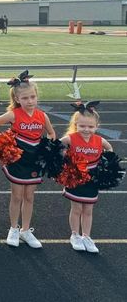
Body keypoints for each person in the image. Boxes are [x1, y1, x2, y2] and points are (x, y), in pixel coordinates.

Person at [0, 71, 55, 249]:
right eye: (25, 98)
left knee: (29, 196)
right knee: (16, 196)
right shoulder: (14, 114)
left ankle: (25, 230)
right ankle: (13, 229)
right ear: (17, 98)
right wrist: (6, 142)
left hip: (34, 160)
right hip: (18, 160)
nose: (30, 101)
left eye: (32, 97)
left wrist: (50, 145)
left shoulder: (42, 116)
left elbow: (52, 133)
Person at [60, 101, 112, 253]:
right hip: (75, 178)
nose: (86, 130)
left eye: (90, 127)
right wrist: (64, 157)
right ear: (76, 125)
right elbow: (56, 145)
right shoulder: (71, 138)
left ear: (96, 126)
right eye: (82, 126)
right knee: (76, 208)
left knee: (88, 209)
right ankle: (75, 235)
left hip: (92, 180)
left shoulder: (99, 140)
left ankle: (86, 236)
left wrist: (106, 161)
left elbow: (109, 148)